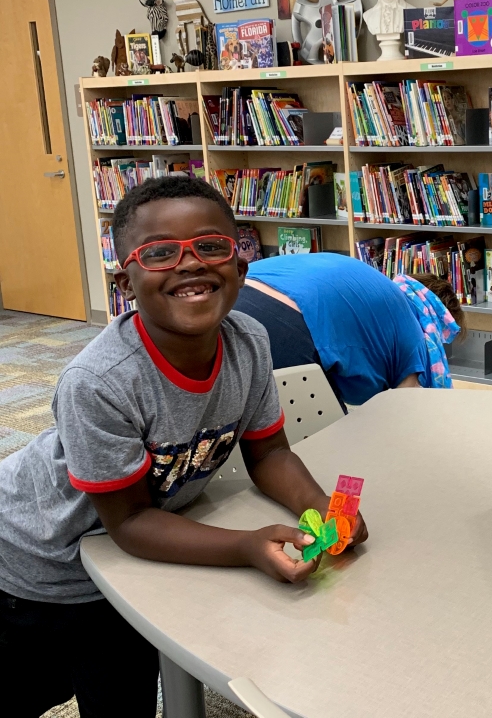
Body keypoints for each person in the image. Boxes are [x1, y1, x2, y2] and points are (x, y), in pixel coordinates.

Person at [0, 177, 367, 717]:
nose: (190, 263)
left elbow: (270, 455)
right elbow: (130, 523)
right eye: (160, 253)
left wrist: (323, 509)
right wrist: (246, 547)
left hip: (129, 570)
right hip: (39, 564)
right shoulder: (98, 381)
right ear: (126, 281)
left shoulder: (249, 341)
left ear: (240, 266)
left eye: (211, 246)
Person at [232, 253, 466, 407]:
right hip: (285, 326)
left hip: (230, 299)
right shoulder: (413, 329)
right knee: (327, 441)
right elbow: (410, 410)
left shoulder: (373, 286)